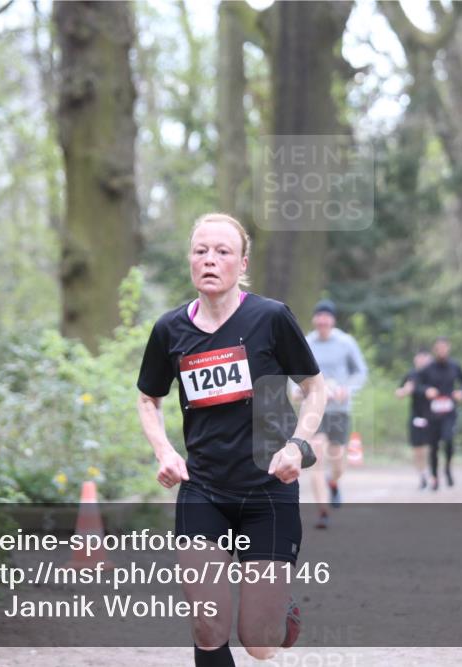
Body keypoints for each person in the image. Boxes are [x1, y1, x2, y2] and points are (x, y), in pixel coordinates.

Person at [136, 213, 328, 666]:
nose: (210, 260)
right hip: (204, 488)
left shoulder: (271, 318)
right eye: (201, 250)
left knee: (259, 644)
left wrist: (297, 446)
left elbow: (314, 388)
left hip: (268, 493)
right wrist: (165, 451)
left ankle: (280, 609)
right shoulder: (170, 330)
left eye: (222, 252)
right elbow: (149, 398)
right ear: (190, 260)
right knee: (208, 626)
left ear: (242, 264)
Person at [304, 299, 368, 529]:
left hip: (339, 410)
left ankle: (334, 481)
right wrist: (295, 390)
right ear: (314, 319)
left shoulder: (345, 342)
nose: (322, 320)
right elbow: (295, 371)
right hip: (314, 409)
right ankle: (323, 511)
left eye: (326, 316)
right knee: (317, 456)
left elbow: (360, 371)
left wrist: (347, 390)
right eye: (318, 316)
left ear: (332, 320)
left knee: (337, 456)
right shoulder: (306, 342)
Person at [415, 337, 462, 489]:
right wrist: (426, 390)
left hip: (449, 412)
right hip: (432, 413)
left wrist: (461, 392)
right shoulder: (427, 368)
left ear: (448, 349)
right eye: (439, 348)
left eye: (444, 348)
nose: (442, 351)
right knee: (434, 446)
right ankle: (434, 477)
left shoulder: (455, 366)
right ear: (435, 350)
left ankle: (448, 468)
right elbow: (416, 385)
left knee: (449, 439)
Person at [395, 349, 433, 489]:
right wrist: (405, 391)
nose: (422, 360)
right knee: (417, 449)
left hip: (433, 415)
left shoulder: (434, 374)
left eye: (425, 357)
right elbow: (398, 393)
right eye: (419, 357)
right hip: (416, 416)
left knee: (430, 447)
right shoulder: (411, 375)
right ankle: (423, 475)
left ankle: (432, 472)